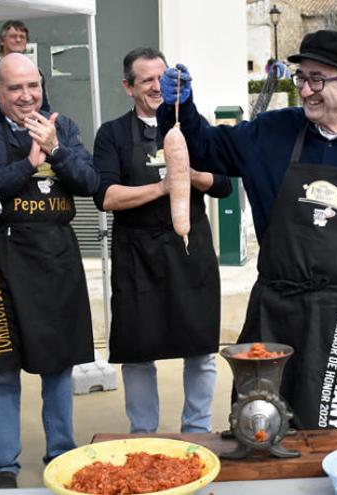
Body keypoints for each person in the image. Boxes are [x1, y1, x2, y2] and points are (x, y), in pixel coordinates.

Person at [157, 30, 337, 431]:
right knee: (260, 426)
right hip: (277, 313)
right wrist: (181, 107)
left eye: (318, 79)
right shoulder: (270, 134)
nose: (306, 90)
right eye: (302, 78)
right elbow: (202, 147)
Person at [0, 53, 99, 489]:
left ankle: (60, 451)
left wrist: (54, 149)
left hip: (57, 257)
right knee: (1, 368)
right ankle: (5, 463)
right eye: (15, 88)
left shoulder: (65, 126)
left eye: (32, 86)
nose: (26, 96)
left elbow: (90, 183)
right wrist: (27, 162)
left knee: (58, 364)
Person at [92, 48, 232, 435]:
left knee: (201, 350)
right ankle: (143, 433)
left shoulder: (192, 123)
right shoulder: (113, 134)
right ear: (128, 87)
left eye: (162, 78)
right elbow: (106, 196)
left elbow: (222, 185)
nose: (157, 87)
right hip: (137, 254)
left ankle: (197, 430)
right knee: (138, 353)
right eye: (147, 81)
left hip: (190, 249)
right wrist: (164, 186)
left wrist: (193, 176)